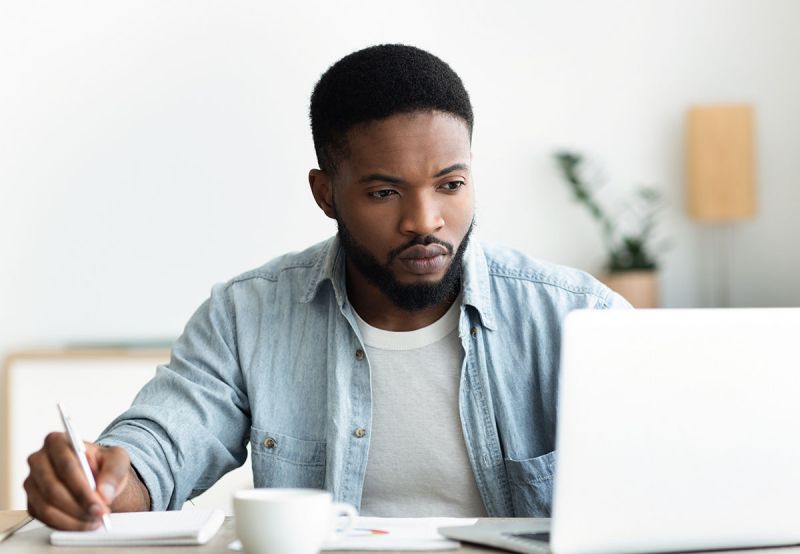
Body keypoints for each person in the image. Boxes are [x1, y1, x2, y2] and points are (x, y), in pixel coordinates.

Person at [24, 44, 630, 530]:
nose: (425, 220)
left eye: (450, 184)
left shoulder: (579, 317)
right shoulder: (248, 315)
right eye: (384, 192)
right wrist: (97, 480)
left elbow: (672, 473)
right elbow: (159, 449)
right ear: (326, 195)